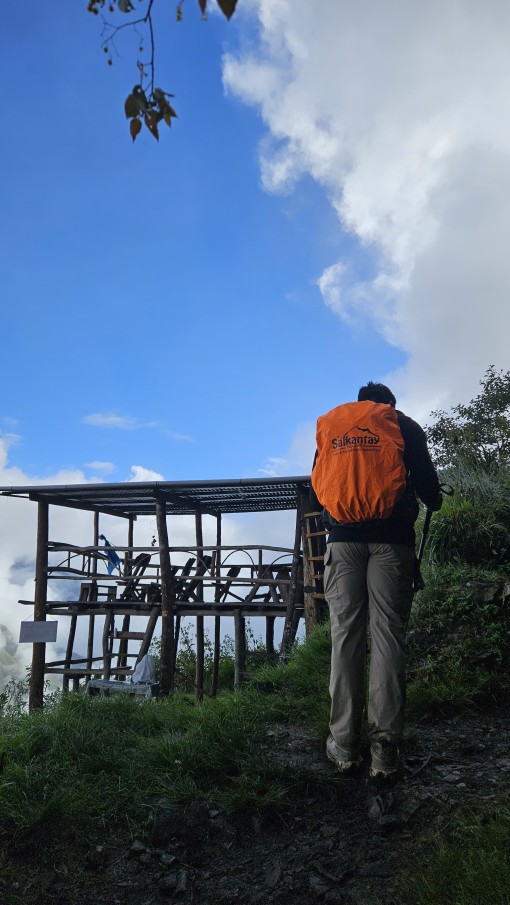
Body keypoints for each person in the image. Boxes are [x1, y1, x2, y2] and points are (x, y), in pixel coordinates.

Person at [311, 381, 442, 778]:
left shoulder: (334, 427)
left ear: (360, 403)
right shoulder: (402, 425)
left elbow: (321, 487)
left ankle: (344, 744)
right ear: (389, 405)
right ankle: (384, 749)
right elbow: (428, 486)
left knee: (345, 635)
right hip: (392, 542)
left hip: (344, 541)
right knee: (387, 635)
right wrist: (434, 500)